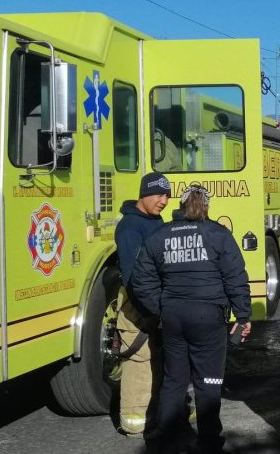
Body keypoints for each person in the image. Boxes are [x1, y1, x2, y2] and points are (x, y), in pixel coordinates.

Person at [130, 184, 251, 453]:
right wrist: (242, 315)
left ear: (181, 206)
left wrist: (159, 307)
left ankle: (164, 441)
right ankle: (208, 442)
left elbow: (141, 280)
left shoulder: (160, 236)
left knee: (174, 381)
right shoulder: (218, 235)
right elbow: (235, 278)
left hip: (173, 317)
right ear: (206, 206)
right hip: (208, 318)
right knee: (208, 383)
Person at [113, 171, 170, 437]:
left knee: (159, 356)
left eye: (167, 196)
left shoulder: (156, 221)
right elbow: (133, 275)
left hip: (156, 300)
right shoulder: (130, 227)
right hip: (138, 303)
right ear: (145, 194)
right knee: (139, 357)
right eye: (159, 195)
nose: (164, 201)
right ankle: (134, 420)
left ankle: (159, 411)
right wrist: (150, 310)